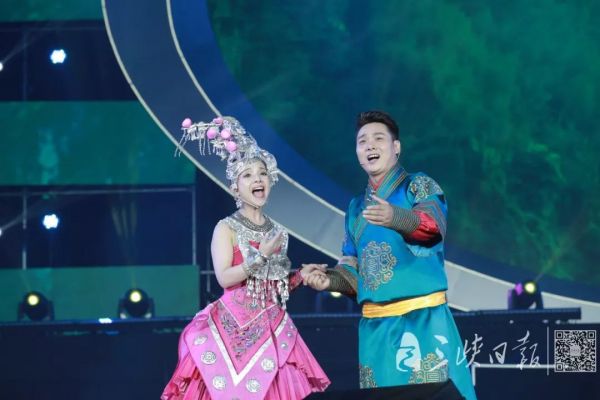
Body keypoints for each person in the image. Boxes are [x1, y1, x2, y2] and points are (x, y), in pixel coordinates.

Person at [305, 111, 477, 400]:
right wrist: (329, 280)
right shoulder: (355, 208)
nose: (370, 145)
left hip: (423, 320)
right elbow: (353, 269)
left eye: (378, 138)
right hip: (376, 330)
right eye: (362, 141)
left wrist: (396, 217)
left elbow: (434, 227)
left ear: (396, 147)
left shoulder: (418, 185)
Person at [162, 116, 330, 399]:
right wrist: (260, 256)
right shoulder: (226, 228)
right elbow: (224, 278)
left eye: (262, 173)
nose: (258, 179)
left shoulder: (277, 232)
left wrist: (300, 276)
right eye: (248, 175)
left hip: (272, 329)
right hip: (231, 328)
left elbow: (273, 288)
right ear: (235, 188)